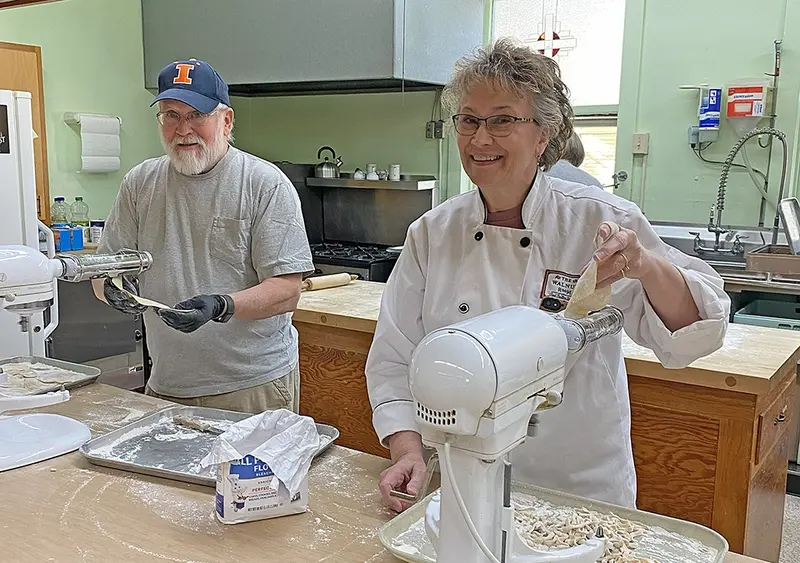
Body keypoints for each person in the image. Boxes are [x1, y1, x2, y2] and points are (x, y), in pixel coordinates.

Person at [365, 39, 730, 512]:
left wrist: (645, 265)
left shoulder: (598, 220)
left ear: (543, 134)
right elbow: (395, 357)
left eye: (501, 120)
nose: (480, 138)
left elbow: (691, 333)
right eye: (469, 120)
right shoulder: (433, 233)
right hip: (465, 476)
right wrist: (408, 450)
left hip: (576, 485)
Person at [93, 58, 314, 414]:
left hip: (250, 386)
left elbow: (287, 292)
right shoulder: (140, 183)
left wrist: (221, 306)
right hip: (166, 385)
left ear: (226, 121)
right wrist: (111, 290)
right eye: (171, 115)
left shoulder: (263, 184)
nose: (183, 129)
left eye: (197, 114)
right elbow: (105, 272)